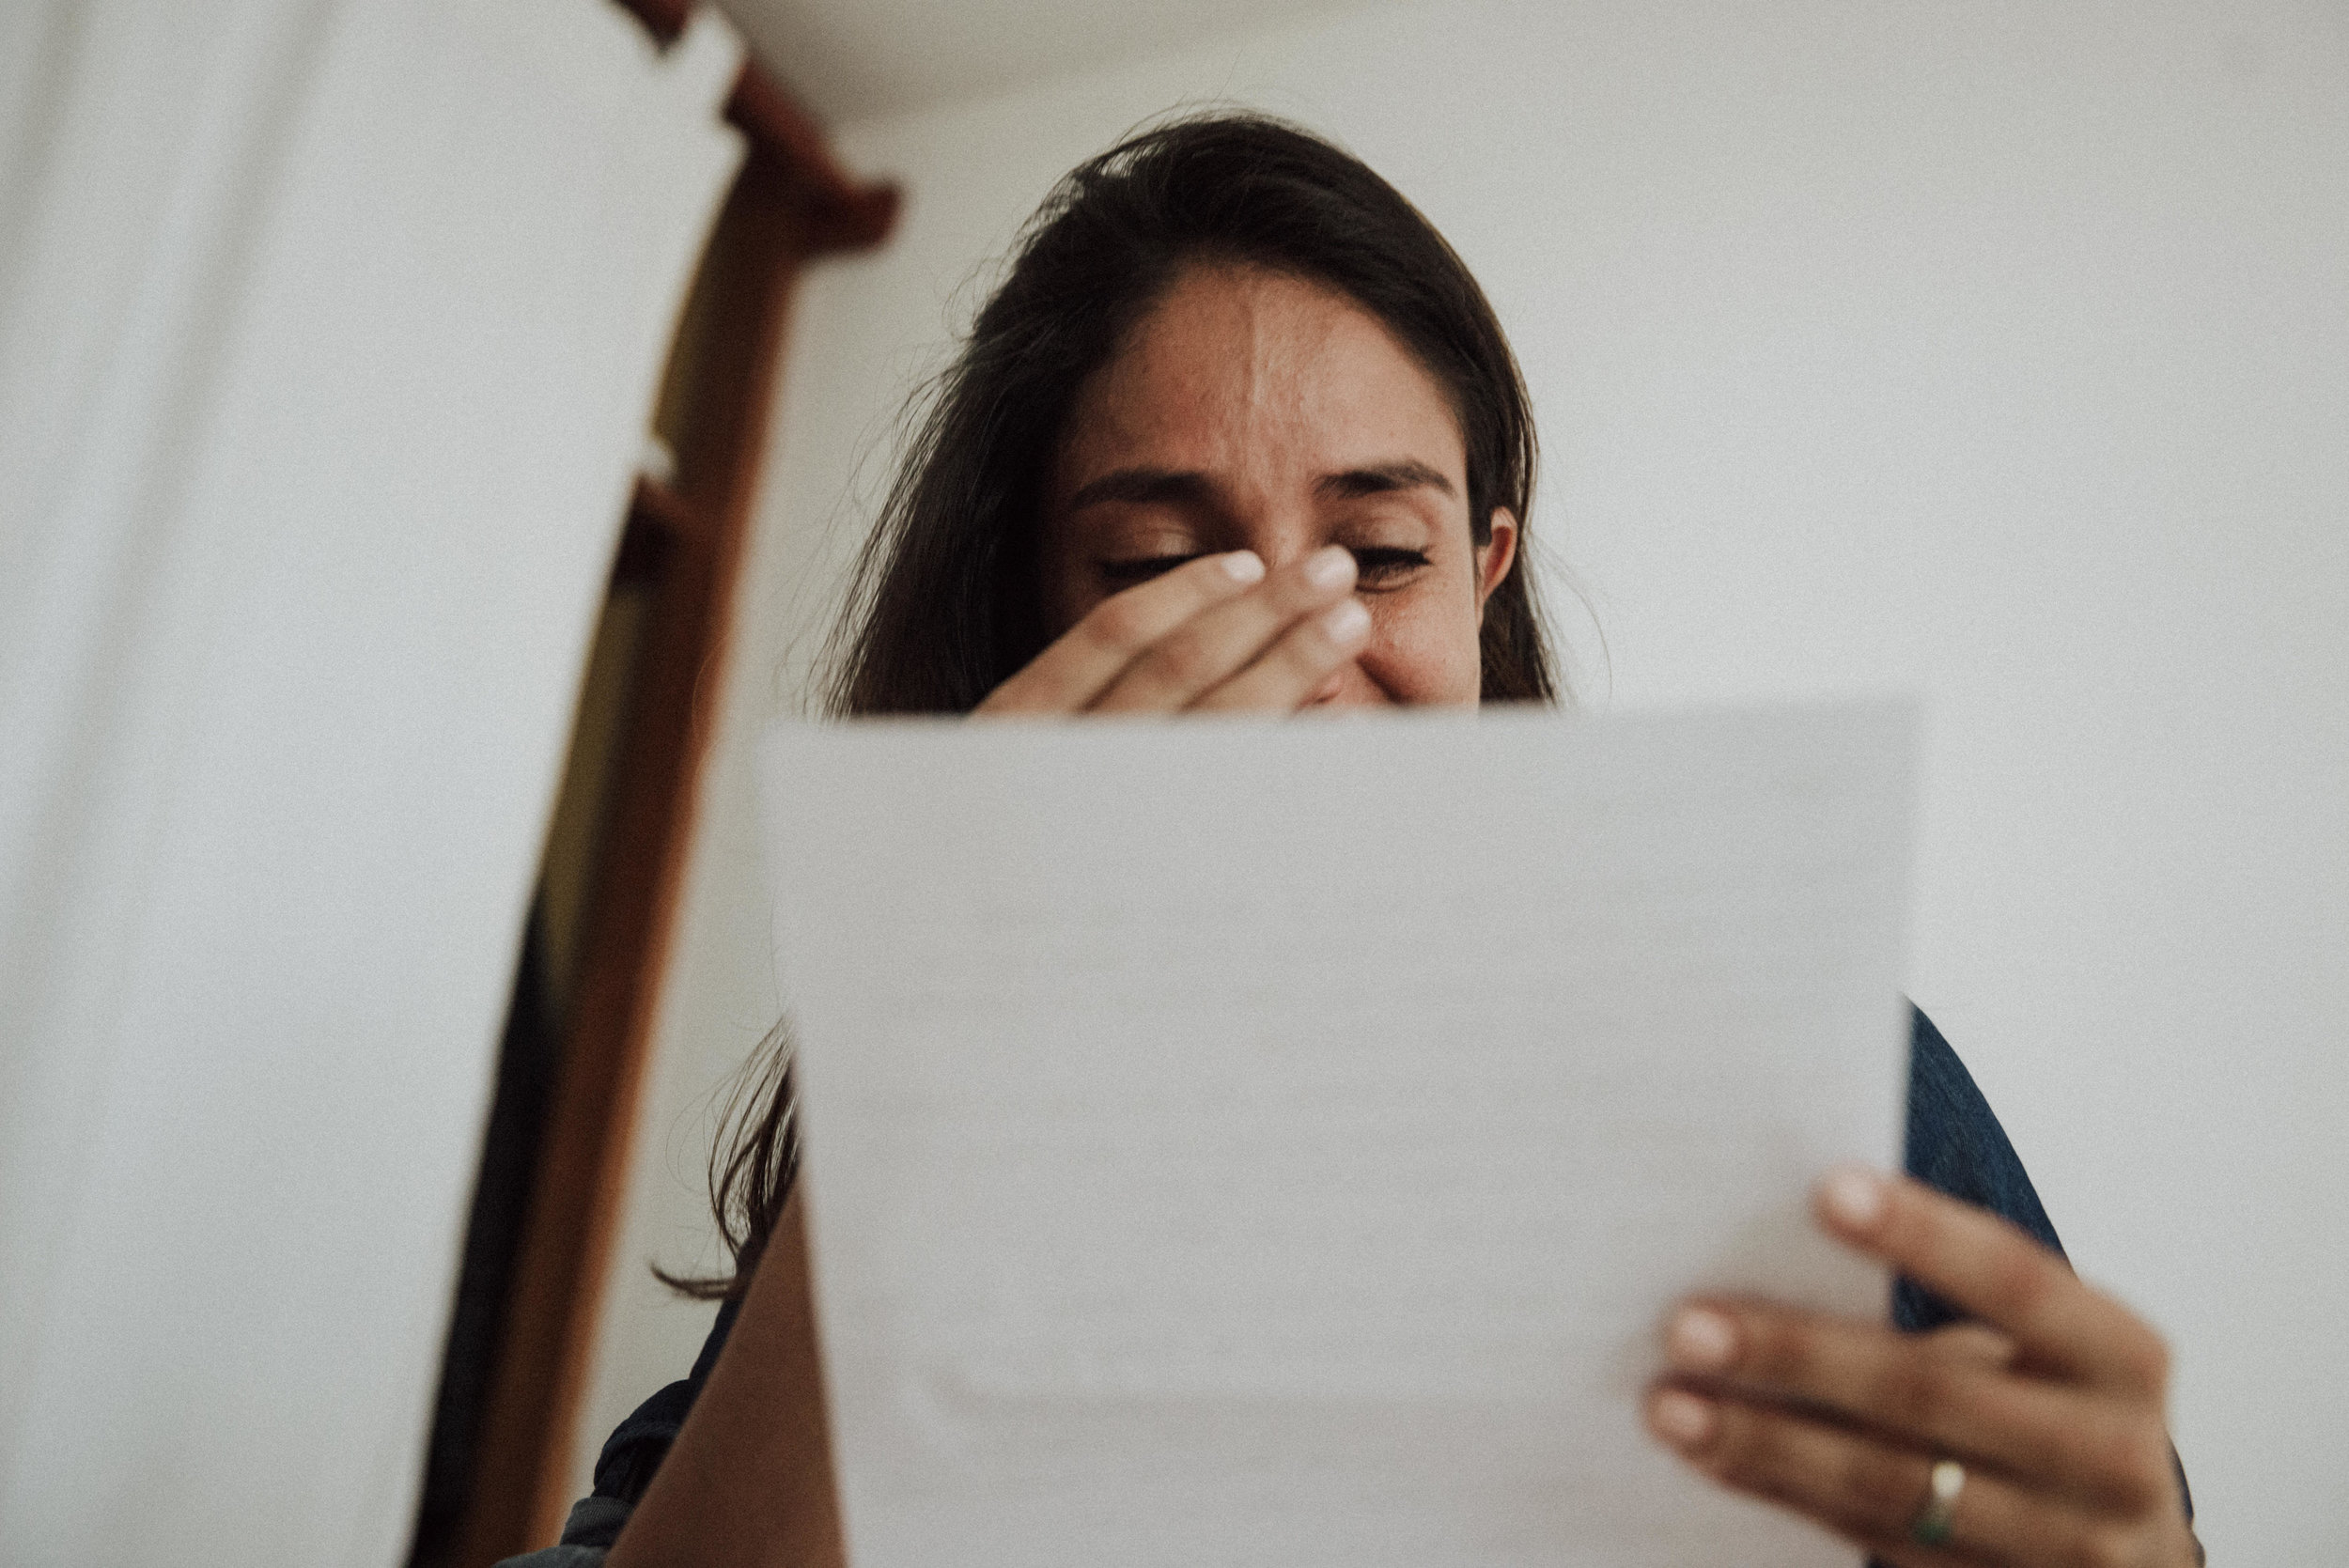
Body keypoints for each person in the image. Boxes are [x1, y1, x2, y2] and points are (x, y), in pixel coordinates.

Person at [506, 115, 2200, 1568]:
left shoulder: (1821, 1078)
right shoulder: (934, 1128)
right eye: (1167, 566)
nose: (1301, 653)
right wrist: (925, 1072)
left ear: (1483, 574)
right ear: (1035, 618)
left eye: (1379, 554)